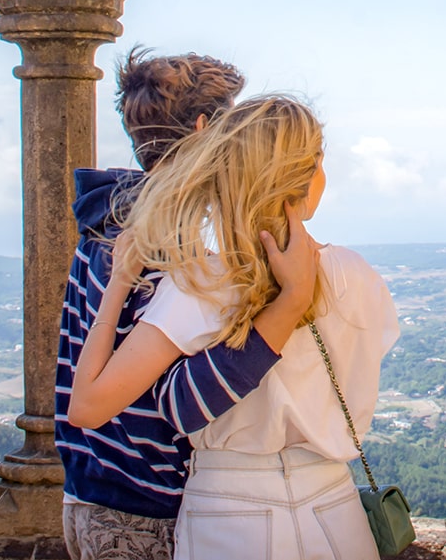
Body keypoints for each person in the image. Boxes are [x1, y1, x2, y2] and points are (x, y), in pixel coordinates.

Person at [69, 95, 400, 560]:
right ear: (308, 175)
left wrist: (119, 284)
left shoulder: (201, 284)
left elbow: (87, 406)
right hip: (336, 511)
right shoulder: (357, 275)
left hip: (229, 515)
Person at [56, 49, 319, 560]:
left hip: (89, 490)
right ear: (204, 130)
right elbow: (156, 399)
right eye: (232, 127)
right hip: (140, 507)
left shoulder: (105, 222)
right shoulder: (165, 247)